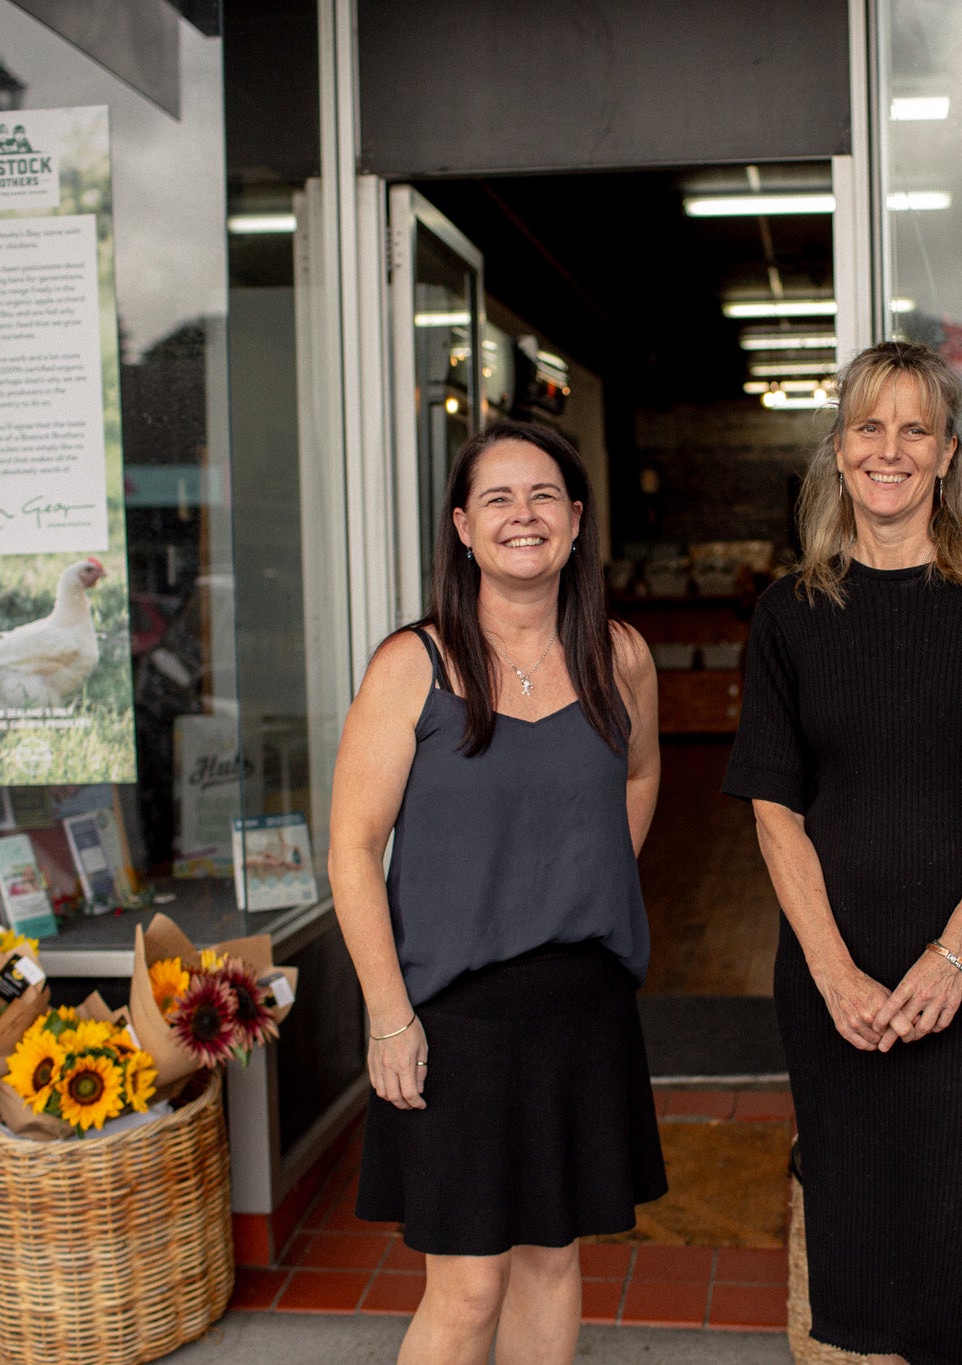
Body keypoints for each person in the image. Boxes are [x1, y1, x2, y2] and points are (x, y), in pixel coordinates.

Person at [724, 341, 962, 1365]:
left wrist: (954, 954)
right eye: (868, 427)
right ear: (839, 452)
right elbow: (772, 811)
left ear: (946, 452)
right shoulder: (790, 612)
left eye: (913, 428)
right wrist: (835, 974)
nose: (890, 449)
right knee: (862, 1255)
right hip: (840, 988)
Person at [330, 420, 667, 1365]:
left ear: (576, 519)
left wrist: (587, 877)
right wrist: (389, 1016)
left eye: (545, 495)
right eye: (498, 499)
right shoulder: (414, 666)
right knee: (470, 1281)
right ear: (464, 529)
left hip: (580, 1004)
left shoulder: (620, 657)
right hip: (454, 1019)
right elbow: (352, 850)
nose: (524, 515)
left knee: (552, 1260)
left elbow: (639, 779)